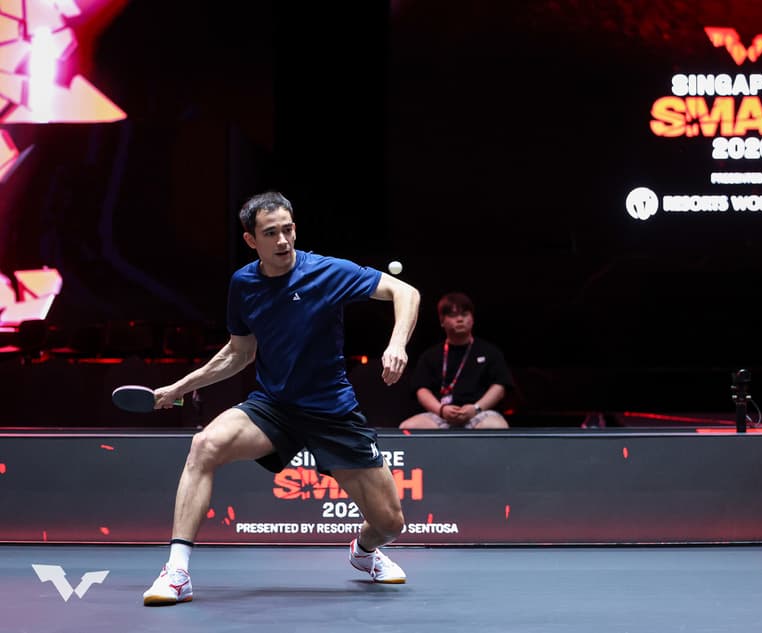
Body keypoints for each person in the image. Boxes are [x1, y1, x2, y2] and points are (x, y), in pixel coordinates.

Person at [142, 191, 420, 606]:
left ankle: (364, 553)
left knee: (389, 523)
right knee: (204, 445)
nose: (283, 240)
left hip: (332, 412)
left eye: (288, 229)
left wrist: (397, 344)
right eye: (270, 233)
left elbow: (406, 292)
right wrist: (181, 387)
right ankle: (177, 571)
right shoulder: (244, 284)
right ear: (252, 240)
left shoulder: (327, 271)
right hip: (274, 407)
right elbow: (239, 352)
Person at [399, 292, 512, 430]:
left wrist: (476, 408)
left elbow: (499, 387)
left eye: (464, 314)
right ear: (442, 321)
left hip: (479, 413)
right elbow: (421, 389)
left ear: (472, 318)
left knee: (495, 426)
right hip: (440, 414)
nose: (459, 319)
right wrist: (441, 409)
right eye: (453, 315)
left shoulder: (489, 352)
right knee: (408, 427)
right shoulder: (430, 355)